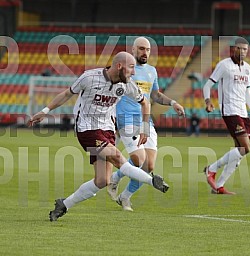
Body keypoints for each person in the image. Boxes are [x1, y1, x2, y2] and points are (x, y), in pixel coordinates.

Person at [28, 51, 169, 221]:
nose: (133, 72)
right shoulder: (89, 77)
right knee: (118, 157)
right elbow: (67, 94)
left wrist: (145, 128)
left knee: (102, 181)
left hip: (107, 130)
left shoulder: (127, 85)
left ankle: (64, 204)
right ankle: (151, 181)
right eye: (131, 67)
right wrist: (45, 111)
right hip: (86, 129)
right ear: (119, 66)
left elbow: (145, 103)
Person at [108, 37, 185, 211]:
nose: (145, 53)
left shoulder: (152, 71)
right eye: (141, 49)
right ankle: (116, 177)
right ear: (133, 50)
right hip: (125, 119)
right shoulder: (122, 68)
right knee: (137, 159)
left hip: (145, 120)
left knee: (148, 166)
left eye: (148, 50)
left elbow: (156, 95)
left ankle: (124, 195)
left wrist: (173, 103)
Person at [202, 37, 250, 194]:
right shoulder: (224, 65)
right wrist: (208, 102)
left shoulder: (248, 68)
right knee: (246, 148)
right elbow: (207, 85)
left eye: (245, 49)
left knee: (239, 153)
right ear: (233, 49)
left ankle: (219, 186)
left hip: (243, 112)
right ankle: (211, 169)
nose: (242, 52)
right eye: (239, 49)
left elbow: (247, 91)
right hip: (229, 110)